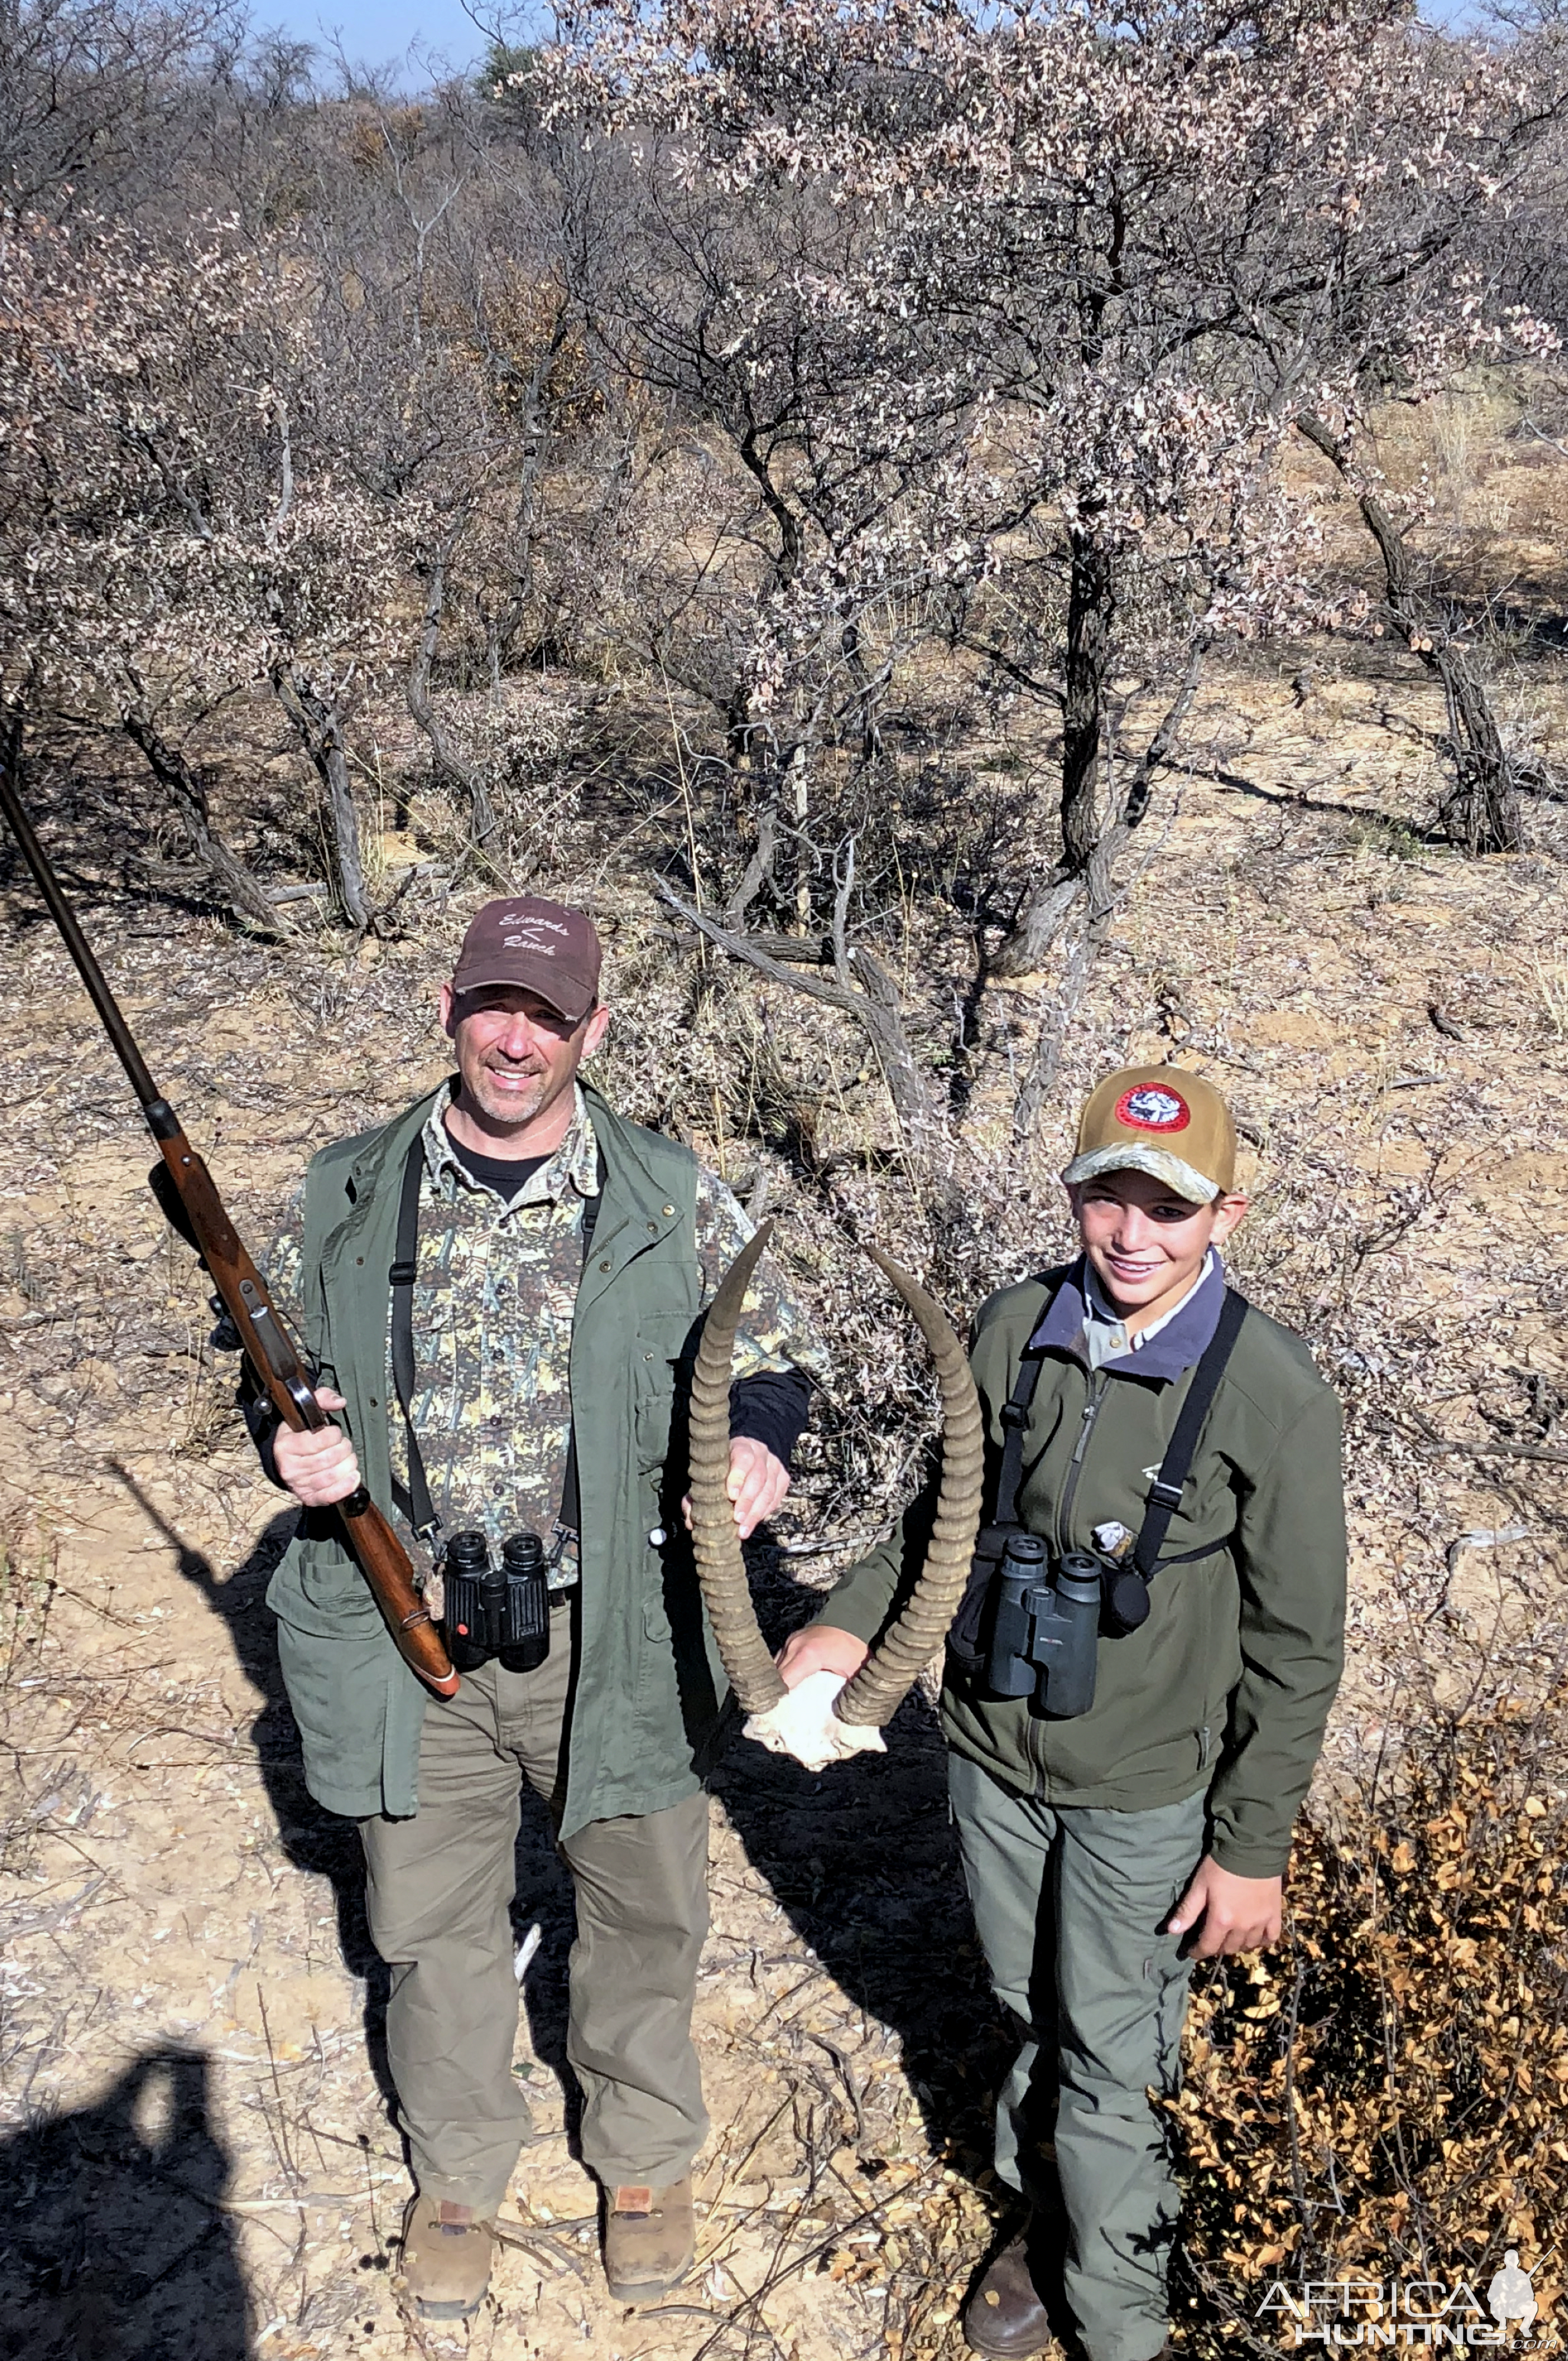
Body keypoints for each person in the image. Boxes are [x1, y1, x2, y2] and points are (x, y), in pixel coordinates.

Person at [251, 895, 823, 2321]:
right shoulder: (346, 1186)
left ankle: (639, 2157)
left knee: (642, 1905)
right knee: (428, 1920)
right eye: (492, 1007)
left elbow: (773, 1348)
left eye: (548, 1016)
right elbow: (279, 1362)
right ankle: (456, 2173)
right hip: (415, 1628)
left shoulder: (667, 1187)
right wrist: (294, 1443)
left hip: (614, 1624)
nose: (515, 1040)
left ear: (593, 1030)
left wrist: (755, 1434)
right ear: (449, 1007)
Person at [777, 1066, 1347, 2361]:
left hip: (1145, 1788)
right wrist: (850, 1613)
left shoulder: (1270, 1388)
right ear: (1071, 1195)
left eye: (1168, 1207)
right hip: (988, 1754)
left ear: (1228, 1215)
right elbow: (944, 1520)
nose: (1131, 1235)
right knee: (1027, 2003)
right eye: (1106, 1198)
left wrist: (1249, 1842)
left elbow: (1298, 1641)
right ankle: (1045, 2224)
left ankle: (1119, 2314)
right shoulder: (1014, 1323)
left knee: (1111, 2052)